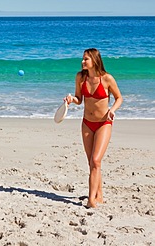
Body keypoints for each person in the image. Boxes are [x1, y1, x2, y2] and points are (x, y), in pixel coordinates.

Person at [64, 48, 123, 208]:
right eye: (83, 59)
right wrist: (71, 99)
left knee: (96, 160)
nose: (82, 62)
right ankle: (99, 195)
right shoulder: (80, 78)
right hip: (87, 124)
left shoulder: (107, 79)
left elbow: (119, 98)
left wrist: (112, 110)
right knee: (93, 163)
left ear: (95, 61)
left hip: (104, 123)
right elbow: (79, 99)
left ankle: (91, 200)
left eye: (86, 59)